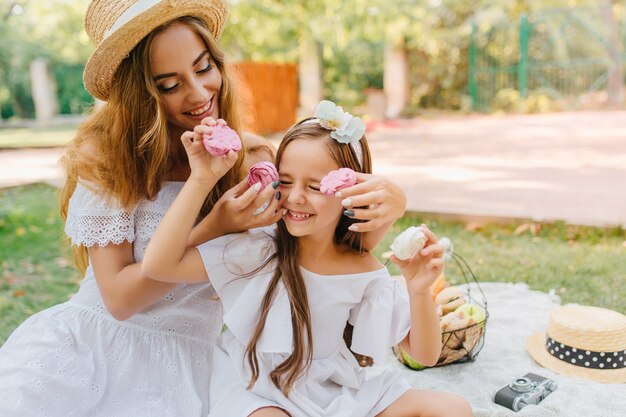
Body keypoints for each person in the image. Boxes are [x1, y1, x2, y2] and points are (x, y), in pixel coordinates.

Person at [0, 1, 407, 416]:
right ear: (139, 92)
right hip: (94, 349)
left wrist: (392, 207)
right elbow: (119, 300)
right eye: (169, 84)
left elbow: (317, 245)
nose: (198, 94)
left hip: (192, 358)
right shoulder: (108, 160)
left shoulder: (251, 157)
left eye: (203, 67)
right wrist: (215, 225)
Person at [142, 101, 473, 417]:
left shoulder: (362, 270)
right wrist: (201, 178)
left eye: (316, 186)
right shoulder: (259, 250)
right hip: (258, 389)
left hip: (331, 390)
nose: (296, 197)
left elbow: (424, 354)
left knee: (453, 409)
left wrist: (419, 290)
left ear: (351, 190)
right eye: (285, 182)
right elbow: (158, 266)